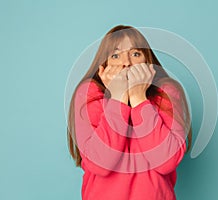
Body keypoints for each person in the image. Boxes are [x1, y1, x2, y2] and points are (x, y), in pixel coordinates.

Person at [67, 25, 192, 200]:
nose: (126, 62)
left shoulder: (166, 92)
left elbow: (166, 161)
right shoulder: (89, 92)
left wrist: (138, 97)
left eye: (135, 54)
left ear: (148, 63)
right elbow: (99, 164)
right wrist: (118, 98)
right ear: (103, 65)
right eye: (116, 55)